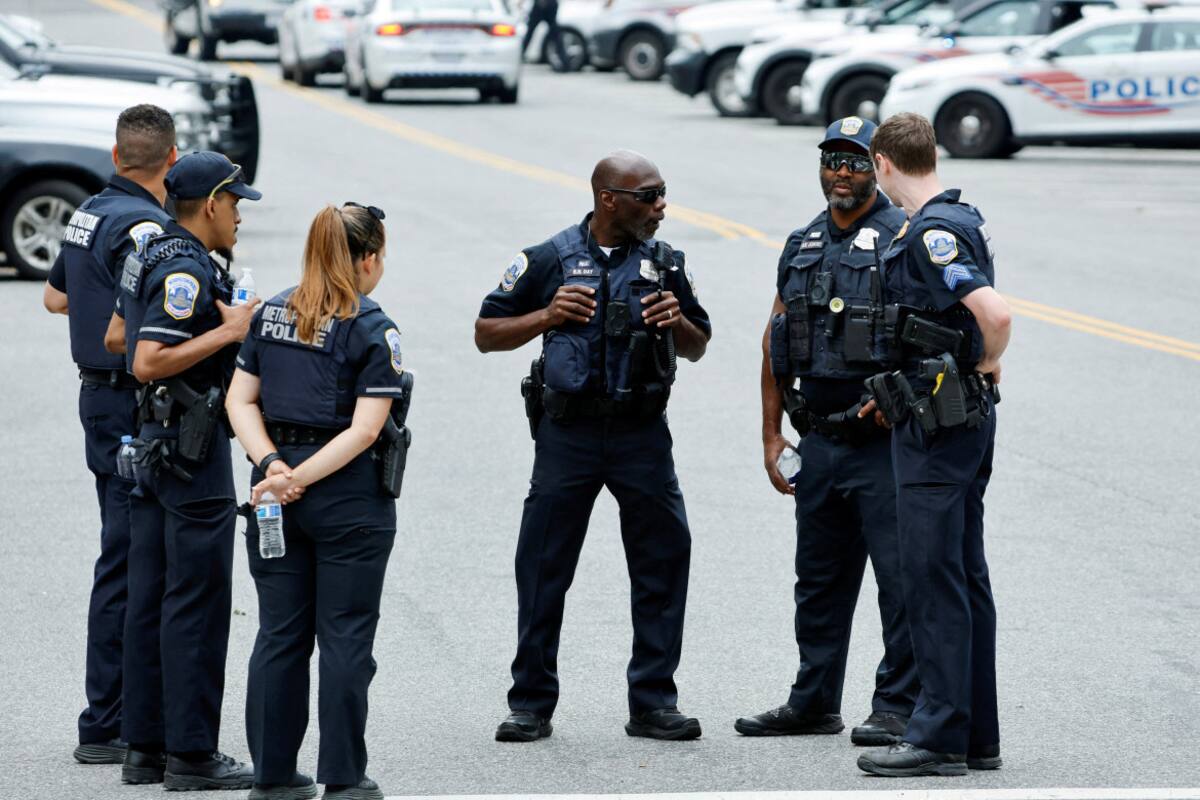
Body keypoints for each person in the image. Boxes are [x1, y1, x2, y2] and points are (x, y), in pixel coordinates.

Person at [475, 150, 711, 742]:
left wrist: (676, 320)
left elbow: (698, 343)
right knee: (543, 565)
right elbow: (485, 333)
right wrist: (545, 316)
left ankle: (653, 702)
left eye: (663, 194)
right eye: (648, 196)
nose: (661, 206)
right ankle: (530, 703)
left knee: (662, 561)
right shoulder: (548, 259)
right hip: (569, 436)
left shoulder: (665, 262)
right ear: (609, 199)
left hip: (641, 434)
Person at [736, 117, 919, 744]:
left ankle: (897, 704)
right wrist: (770, 435)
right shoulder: (802, 242)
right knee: (817, 581)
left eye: (854, 162)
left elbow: (933, 338)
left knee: (898, 582)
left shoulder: (904, 237)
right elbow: (774, 339)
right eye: (831, 160)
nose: (841, 173)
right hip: (817, 441)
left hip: (882, 446)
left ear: (876, 167)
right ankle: (814, 700)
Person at [226, 203, 410, 800]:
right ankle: (343, 777)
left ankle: (273, 777)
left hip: (272, 493)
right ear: (367, 258)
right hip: (347, 499)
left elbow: (239, 401)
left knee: (279, 635)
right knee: (345, 638)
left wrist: (273, 468)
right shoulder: (371, 327)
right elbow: (363, 431)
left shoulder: (273, 312)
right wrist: (299, 476)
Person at [856, 112, 1011, 777]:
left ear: (883, 164)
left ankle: (941, 736)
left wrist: (984, 362)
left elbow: (995, 314)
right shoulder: (961, 218)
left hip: (939, 426)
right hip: (958, 424)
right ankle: (976, 735)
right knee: (964, 574)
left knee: (933, 577)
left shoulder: (932, 234)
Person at [116, 151, 261, 789]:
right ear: (210, 204)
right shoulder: (184, 266)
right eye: (235, 204)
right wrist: (231, 333)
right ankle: (193, 756)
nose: (238, 217)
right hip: (188, 452)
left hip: (154, 444)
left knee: (149, 600)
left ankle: (146, 747)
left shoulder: (151, 251)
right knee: (196, 605)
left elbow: (116, 333)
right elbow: (146, 358)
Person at [42, 104, 176, 767]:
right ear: (171, 162)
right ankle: (106, 721)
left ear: (117, 154)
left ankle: (120, 712)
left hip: (96, 395)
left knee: (123, 551)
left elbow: (55, 298)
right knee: (130, 559)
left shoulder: (87, 212)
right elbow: (145, 313)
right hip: (127, 400)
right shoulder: (146, 226)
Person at [521, 0, 569, 72]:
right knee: (555, 34)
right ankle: (565, 62)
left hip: (543, 4)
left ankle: (565, 62)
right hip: (548, 4)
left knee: (553, 34)